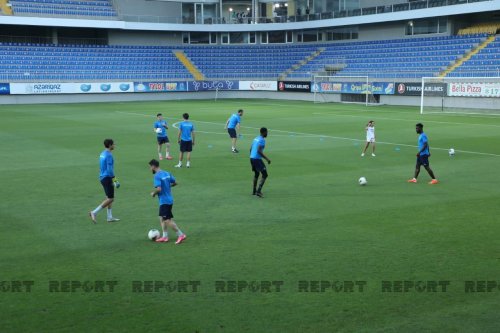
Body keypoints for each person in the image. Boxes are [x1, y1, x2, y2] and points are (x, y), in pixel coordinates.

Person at [149, 159, 186, 244]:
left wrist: (153, 193)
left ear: (153, 166)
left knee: (167, 220)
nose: (150, 169)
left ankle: (181, 235)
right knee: (162, 218)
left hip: (164, 201)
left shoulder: (157, 176)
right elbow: (175, 182)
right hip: (169, 199)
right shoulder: (166, 173)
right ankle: (165, 236)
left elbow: (159, 189)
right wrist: (168, 187)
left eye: (150, 167)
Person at [89, 139, 120, 223]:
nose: (114, 145)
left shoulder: (102, 154)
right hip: (107, 177)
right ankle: (94, 212)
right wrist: (115, 180)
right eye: (113, 144)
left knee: (108, 197)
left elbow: (101, 166)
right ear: (110, 145)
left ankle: (109, 217)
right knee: (110, 199)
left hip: (102, 177)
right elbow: (110, 170)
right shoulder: (109, 155)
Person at [250, 127, 271, 198]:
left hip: (252, 158)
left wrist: (252, 156)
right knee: (265, 175)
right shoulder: (262, 140)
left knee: (256, 173)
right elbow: (259, 151)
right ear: (263, 132)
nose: (267, 134)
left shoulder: (255, 138)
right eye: (266, 132)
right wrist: (267, 159)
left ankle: (254, 190)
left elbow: (251, 148)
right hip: (257, 159)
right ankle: (258, 191)